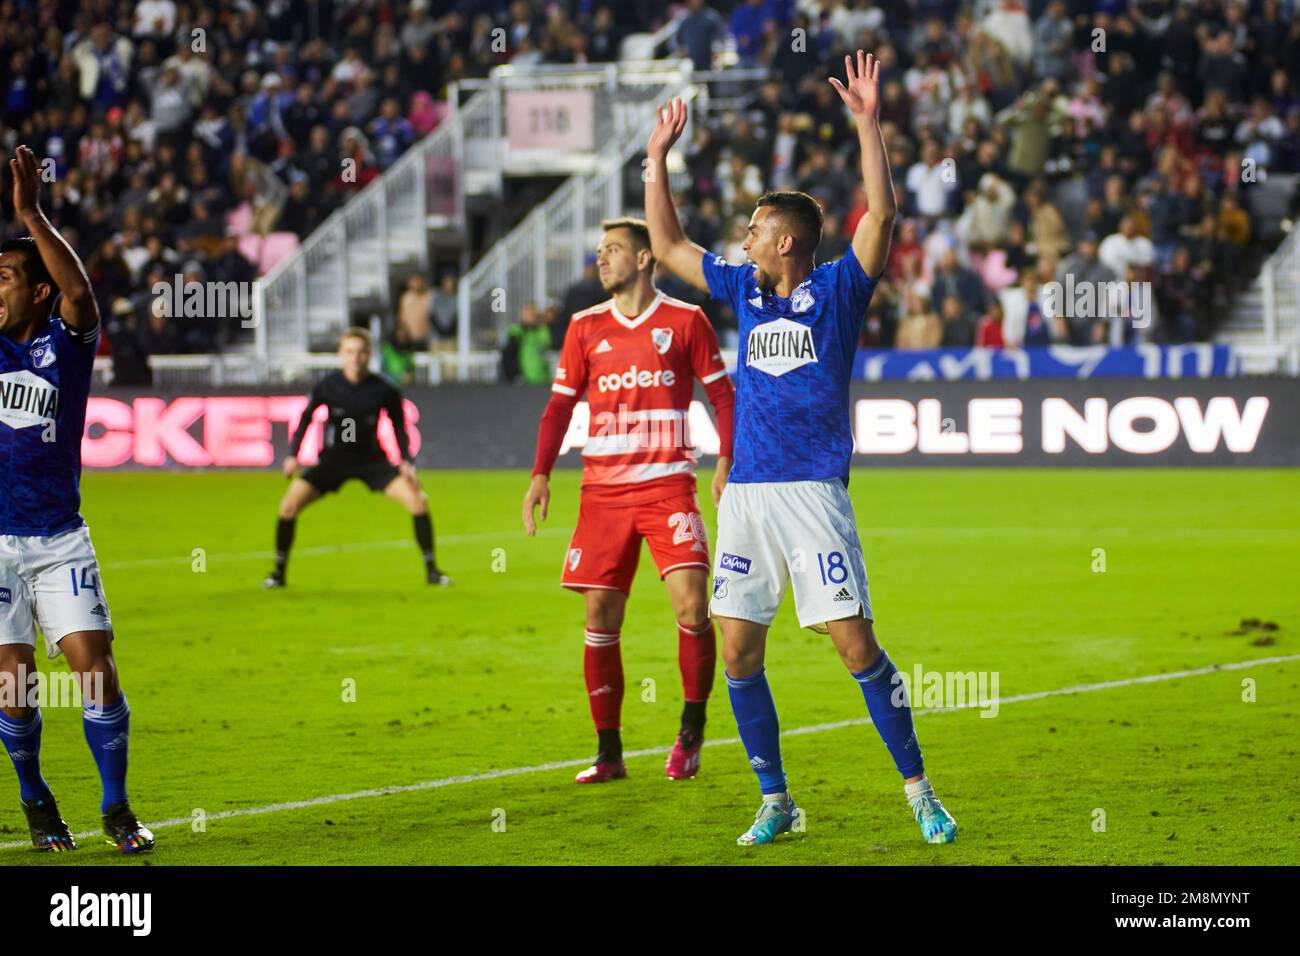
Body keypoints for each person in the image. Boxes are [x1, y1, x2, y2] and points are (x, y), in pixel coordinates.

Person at [643, 53, 957, 848]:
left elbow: (880, 218)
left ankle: (920, 791)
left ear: (785, 242)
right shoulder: (743, 288)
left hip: (814, 491)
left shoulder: (841, 292)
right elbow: (671, 246)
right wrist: (655, 163)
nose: (742, 239)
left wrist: (866, 121)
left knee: (855, 644)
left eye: (753, 230)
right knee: (738, 650)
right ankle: (777, 800)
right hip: (747, 492)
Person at [522, 218, 736, 783]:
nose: (602, 259)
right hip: (603, 495)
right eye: (599, 251)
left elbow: (722, 395)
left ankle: (690, 731)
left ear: (644, 259)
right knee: (599, 616)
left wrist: (726, 462)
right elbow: (560, 408)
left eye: (613, 250)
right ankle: (609, 753)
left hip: (669, 487)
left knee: (692, 608)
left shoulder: (686, 321)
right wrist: (541, 474)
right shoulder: (584, 326)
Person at [0, 146, 154, 853]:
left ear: (36, 291)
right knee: (15, 685)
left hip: (60, 537)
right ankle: (36, 801)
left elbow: (82, 295)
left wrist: (30, 215)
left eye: (3, 278)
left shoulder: (65, 345)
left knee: (96, 667)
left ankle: (117, 808)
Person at [263, 327, 451, 589]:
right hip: (334, 460)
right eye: (350, 351)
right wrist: (293, 455)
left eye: (362, 352)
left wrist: (406, 461)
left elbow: (398, 426)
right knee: (288, 506)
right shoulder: (327, 386)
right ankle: (278, 574)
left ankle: (433, 572)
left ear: (369, 355)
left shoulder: (384, 389)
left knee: (418, 502)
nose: (356, 358)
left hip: (372, 461)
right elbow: (305, 418)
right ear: (341, 354)